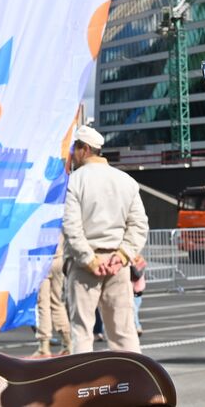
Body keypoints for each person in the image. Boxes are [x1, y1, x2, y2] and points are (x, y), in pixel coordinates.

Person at [61, 124, 148, 353]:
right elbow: (139, 225)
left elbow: (72, 227)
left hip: (85, 264)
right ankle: (134, 382)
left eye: (75, 149)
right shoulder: (126, 181)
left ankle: (82, 385)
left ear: (84, 149)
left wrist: (89, 259)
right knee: (123, 332)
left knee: (82, 332)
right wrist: (122, 256)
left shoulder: (76, 181)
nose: (73, 154)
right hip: (117, 263)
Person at [32, 238, 71, 356]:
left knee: (42, 304)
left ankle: (44, 345)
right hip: (59, 258)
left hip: (41, 260)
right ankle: (67, 342)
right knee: (57, 302)